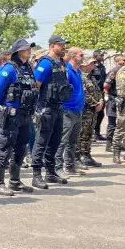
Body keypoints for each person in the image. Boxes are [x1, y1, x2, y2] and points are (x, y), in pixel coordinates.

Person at [0, 39, 38, 196]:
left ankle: (15, 181)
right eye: (26, 49)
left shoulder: (28, 68)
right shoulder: (9, 69)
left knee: (21, 148)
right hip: (11, 115)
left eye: (29, 49)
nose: (29, 51)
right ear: (18, 51)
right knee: (4, 147)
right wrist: (4, 108)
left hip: (25, 114)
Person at [31, 35, 73, 189]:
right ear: (53, 45)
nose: (64, 47)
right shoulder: (45, 63)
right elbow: (36, 86)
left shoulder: (60, 62)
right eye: (61, 45)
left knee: (54, 141)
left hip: (58, 107)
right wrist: (37, 109)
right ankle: (36, 175)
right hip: (46, 108)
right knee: (41, 142)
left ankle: (50, 172)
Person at [54, 47, 86, 176]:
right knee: (62, 140)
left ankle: (70, 166)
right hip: (68, 110)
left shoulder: (77, 71)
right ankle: (57, 167)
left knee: (73, 141)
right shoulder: (67, 70)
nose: (83, 57)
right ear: (73, 56)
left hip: (78, 110)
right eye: (81, 54)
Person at [78, 56, 104, 168]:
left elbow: (98, 91)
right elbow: (84, 93)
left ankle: (87, 154)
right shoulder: (80, 77)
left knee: (89, 132)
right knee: (82, 133)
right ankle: (80, 155)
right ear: (83, 65)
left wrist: (101, 101)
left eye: (93, 63)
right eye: (91, 63)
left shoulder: (91, 77)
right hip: (86, 109)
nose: (93, 65)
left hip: (94, 110)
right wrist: (95, 104)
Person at [103, 55, 125, 152]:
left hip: (121, 100)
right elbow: (106, 85)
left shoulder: (124, 71)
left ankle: (117, 143)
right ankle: (109, 144)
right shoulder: (114, 71)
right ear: (118, 61)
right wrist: (109, 95)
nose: (124, 61)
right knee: (112, 123)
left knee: (121, 123)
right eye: (122, 60)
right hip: (113, 100)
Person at [91, 50, 107, 140]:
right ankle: (92, 133)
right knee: (93, 114)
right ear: (96, 56)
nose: (102, 56)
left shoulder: (102, 67)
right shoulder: (92, 66)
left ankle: (97, 133)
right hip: (93, 93)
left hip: (101, 92)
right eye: (101, 55)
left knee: (101, 114)